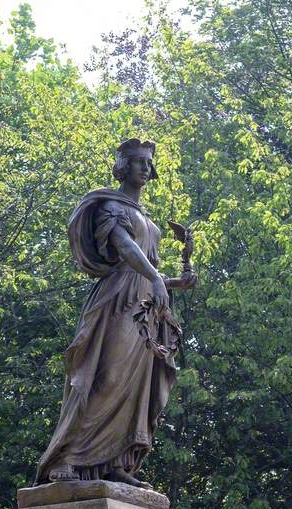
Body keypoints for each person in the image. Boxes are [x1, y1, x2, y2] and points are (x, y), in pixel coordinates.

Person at [34, 138, 196, 489]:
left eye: (148, 162)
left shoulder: (148, 220)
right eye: (137, 161)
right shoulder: (109, 205)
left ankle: (117, 461)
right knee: (105, 377)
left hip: (146, 306)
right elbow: (123, 248)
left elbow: (147, 268)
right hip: (117, 299)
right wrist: (154, 277)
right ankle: (68, 457)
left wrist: (173, 282)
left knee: (136, 386)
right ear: (122, 167)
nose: (144, 167)